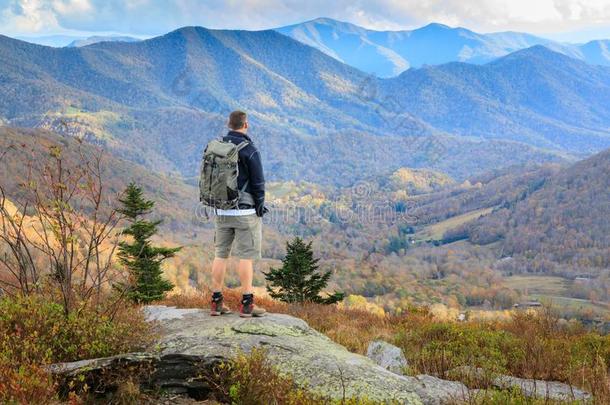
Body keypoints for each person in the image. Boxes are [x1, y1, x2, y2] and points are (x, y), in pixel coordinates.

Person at [210, 110, 267, 317]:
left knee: (220, 255)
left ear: (229, 124)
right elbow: (258, 182)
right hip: (245, 211)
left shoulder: (217, 147)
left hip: (221, 209)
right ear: (246, 125)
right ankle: (247, 305)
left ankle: (216, 303)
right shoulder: (249, 150)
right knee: (246, 257)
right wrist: (260, 205)